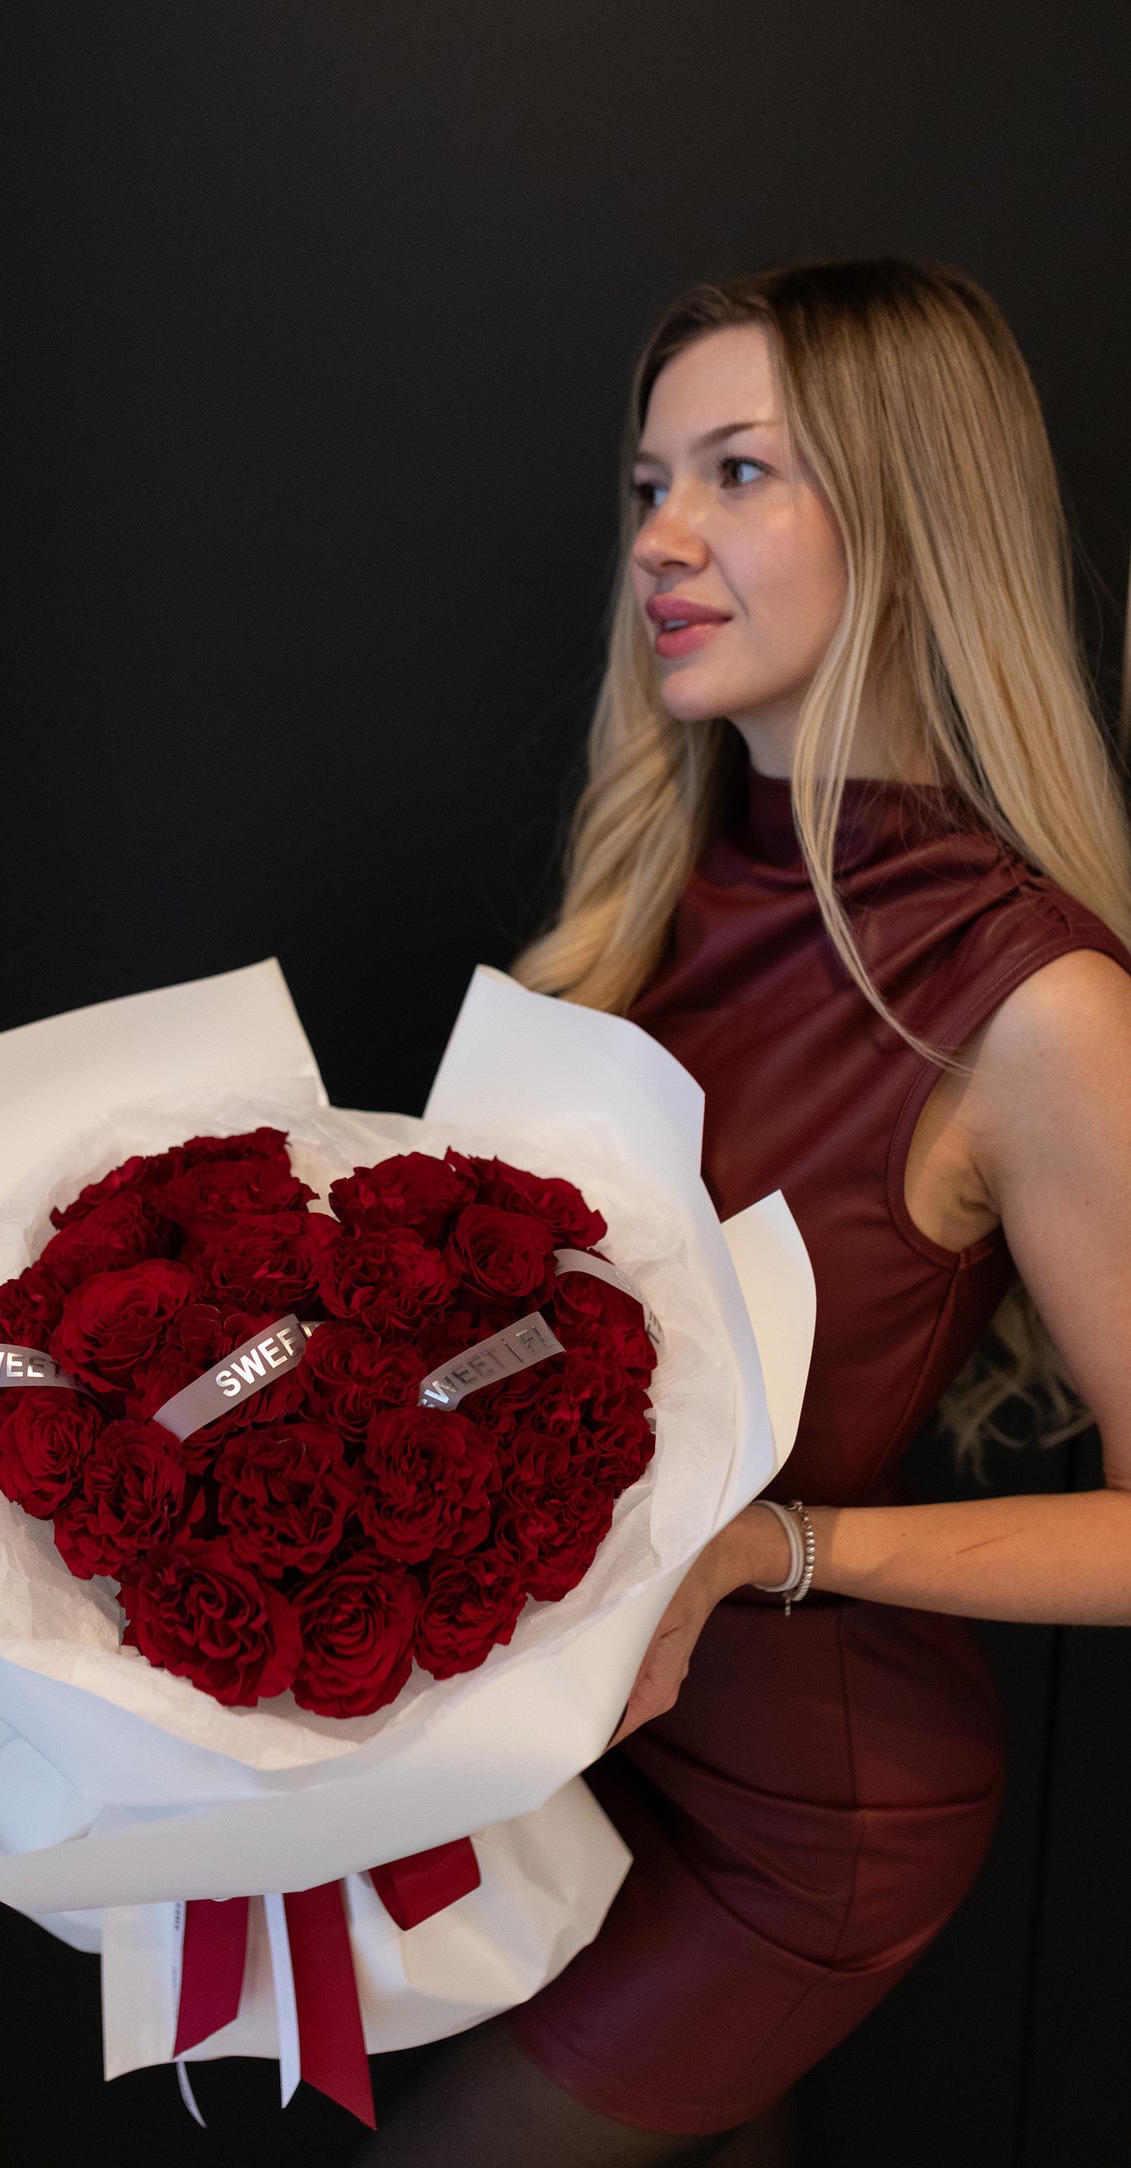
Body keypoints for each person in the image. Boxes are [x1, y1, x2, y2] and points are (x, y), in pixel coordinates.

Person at [355, 258, 1131, 2165]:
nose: (660, 536)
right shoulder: (658, 886)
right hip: (587, 1752)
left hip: (805, 1814)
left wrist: (762, 1551)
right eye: (648, 483)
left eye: (738, 471)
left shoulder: (1029, 1001)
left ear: (914, 515)